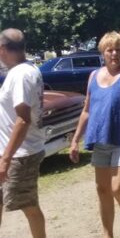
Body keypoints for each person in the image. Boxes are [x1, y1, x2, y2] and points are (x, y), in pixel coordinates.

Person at [69, 31, 120, 238]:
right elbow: (86, 110)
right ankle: (107, 234)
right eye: (109, 50)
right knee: (103, 191)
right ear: (103, 52)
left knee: (118, 188)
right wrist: (75, 140)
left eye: (118, 49)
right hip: (100, 138)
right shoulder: (94, 75)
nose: (114, 53)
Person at [0, 29, 46, 238]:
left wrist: (6, 159)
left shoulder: (20, 75)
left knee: (27, 204)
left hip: (21, 154)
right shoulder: (24, 70)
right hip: (12, 152)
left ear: (2, 49)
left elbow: (23, 119)